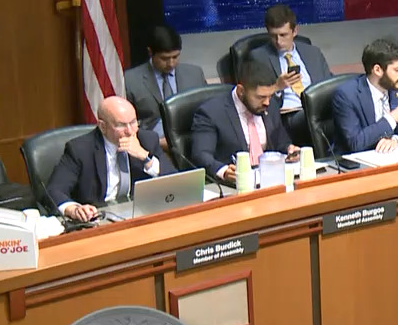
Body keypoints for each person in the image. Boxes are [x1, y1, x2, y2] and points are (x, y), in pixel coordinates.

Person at [46, 96, 176, 222]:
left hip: (140, 215)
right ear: (103, 126)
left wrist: (146, 158)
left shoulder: (147, 140)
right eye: (121, 125)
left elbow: (175, 181)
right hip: (98, 219)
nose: (130, 131)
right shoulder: (80, 149)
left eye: (133, 122)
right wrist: (73, 209)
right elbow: (54, 190)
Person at [190, 58, 298, 184]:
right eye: (261, 97)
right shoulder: (211, 112)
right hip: (234, 184)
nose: (267, 102)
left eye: (269, 96)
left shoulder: (271, 105)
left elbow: (281, 142)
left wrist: (290, 149)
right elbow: (201, 154)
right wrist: (224, 171)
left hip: (270, 179)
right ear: (241, 91)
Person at [247, 4, 333, 141]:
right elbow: (253, 97)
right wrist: (277, 87)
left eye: (283, 35)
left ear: (295, 31)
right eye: (273, 36)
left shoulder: (313, 53)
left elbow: (329, 84)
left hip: (319, 109)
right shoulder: (259, 57)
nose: (278, 41)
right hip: (289, 115)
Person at [331, 39, 398, 155]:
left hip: (393, 157)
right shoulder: (347, 95)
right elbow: (355, 142)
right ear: (377, 70)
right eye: (397, 70)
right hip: (358, 161)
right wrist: (392, 118)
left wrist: (396, 140)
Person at [123, 23, 207, 141]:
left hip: (191, 140)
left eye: (175, 57)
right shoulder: (130, 80)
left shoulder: (195, 74)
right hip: (152, 142)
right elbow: (127, 123)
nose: (171, 64)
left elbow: (207, 112)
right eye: (165, 58)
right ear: (150, 52)